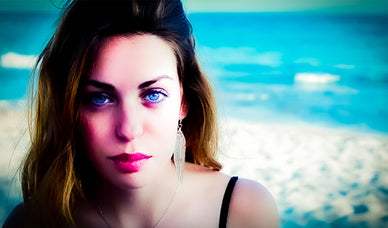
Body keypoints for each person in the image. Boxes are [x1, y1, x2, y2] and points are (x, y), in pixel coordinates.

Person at [3, 0, 278, 227]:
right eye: (100, 98)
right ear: (71, 108)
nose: (129, 129)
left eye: (153, 94)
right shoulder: (30, 221)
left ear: (184, 102)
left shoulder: (244, 211)